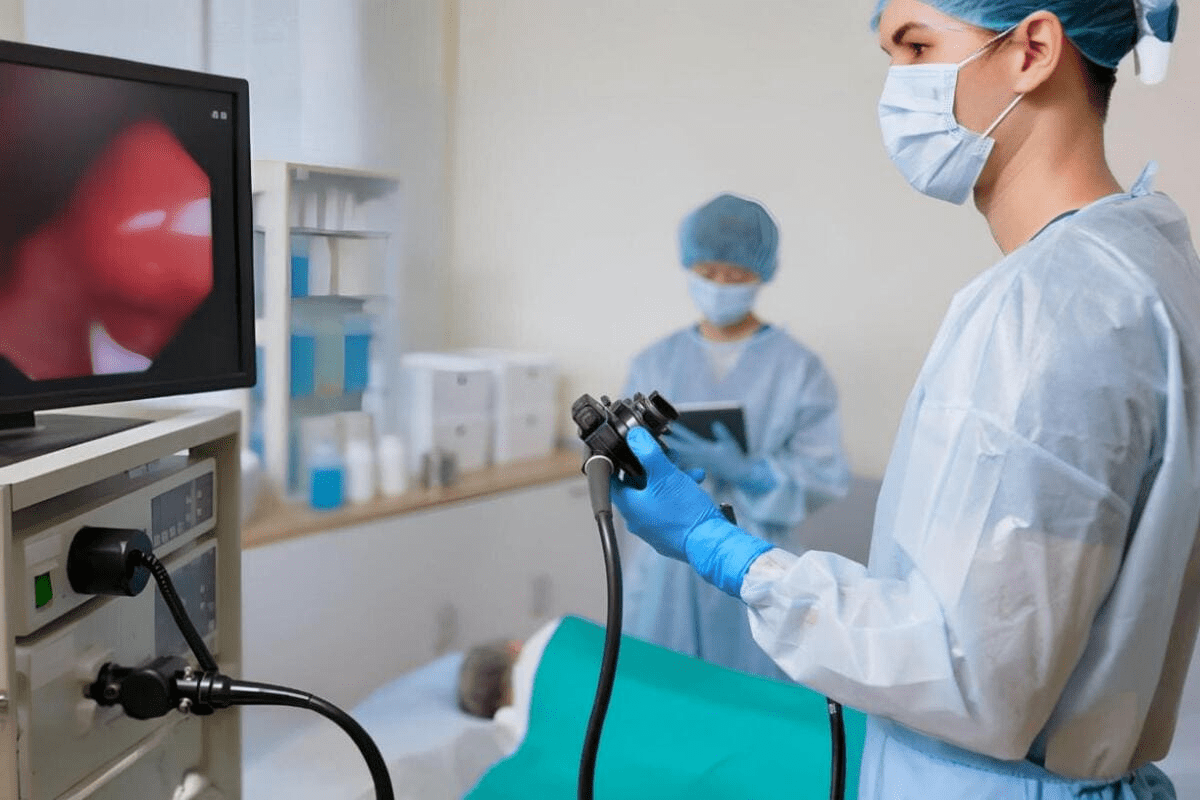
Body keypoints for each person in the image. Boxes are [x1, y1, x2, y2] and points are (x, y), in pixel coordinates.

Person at [610, 1, 1200, 798]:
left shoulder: (1052, 307)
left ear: (1032, 50)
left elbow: (973, 675)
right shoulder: (1138, 267)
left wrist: (731, 556)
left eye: (917, 47)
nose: (896, 88)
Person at [622, 192, 851, 680]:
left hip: (752, 552)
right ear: (689, 266)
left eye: (736, 275)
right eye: (709, 272)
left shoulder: (798, 369)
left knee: (751, 692)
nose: (721, 285)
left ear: (761, 273)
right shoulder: (654, 362)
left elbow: (823, 474)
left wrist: (752, 473)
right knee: (661, 687)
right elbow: (625, 465)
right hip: (667, 559)